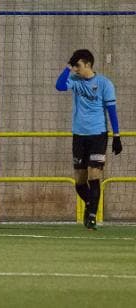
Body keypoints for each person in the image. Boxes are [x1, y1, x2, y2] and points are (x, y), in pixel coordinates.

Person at [55, 49, 122, 230]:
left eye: (78, 65)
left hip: (98, 135)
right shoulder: (75, 81)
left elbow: (111, 111)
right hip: (79, 136)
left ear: (88, 65)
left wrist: (116, 135)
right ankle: (90, 205)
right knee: (79, 181)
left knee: (94, 176)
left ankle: (91, 216)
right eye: (74, 65)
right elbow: (60, 86)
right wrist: (68, 67)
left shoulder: (104, 83)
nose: (76, 69)